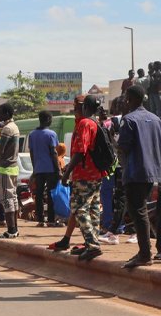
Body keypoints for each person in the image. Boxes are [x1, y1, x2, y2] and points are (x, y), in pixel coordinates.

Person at [117, 86, 161, 268]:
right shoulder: (157, 119)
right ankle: (149, 251)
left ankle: (144, 253)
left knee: (139, 212)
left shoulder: (128, 120)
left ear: (130, 99)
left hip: (135, 172)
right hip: (153, 172)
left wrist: (115, 144)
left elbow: (124, 148)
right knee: (147, 211)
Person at [60, 95, 107, 260]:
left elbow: (81, 151)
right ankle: (92, 243)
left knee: (79, 209)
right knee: (93, 210)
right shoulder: (95, 122)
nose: (74, 110)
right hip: (96, 174)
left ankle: (92, 245)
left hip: (84, 175)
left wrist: (66, 173)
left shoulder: (85, 123)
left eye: (75, 107)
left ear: (84, 107)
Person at [28, 111, 61, 227]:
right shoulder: (51, 134)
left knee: (39, 194)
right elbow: (54, 152)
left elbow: (32, 153)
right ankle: (51, 219)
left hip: (38, 169)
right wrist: (58, 169)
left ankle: (40, 219)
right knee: (51, 194)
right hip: (50, 169)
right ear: (47, 119)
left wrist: (34, 168)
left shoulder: (32, 134)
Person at [0, 103, 20, 238]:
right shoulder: (14, 127)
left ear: (6, 113)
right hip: (13, 167)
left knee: (6, 198)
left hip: (5, 168)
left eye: (0, 112)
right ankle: (14, 228)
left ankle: (11, 230)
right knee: (13, 198)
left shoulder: (6, 129)